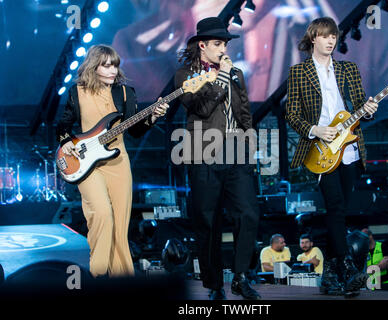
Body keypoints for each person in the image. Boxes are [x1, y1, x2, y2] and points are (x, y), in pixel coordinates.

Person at [56, 44, 168, 278]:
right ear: (93, 66)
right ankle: (96, 276)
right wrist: (66, 141)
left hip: (118, 161)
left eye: (115, 65)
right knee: (102, 214)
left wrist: (153, 117)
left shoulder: (126, 93)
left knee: (118, 227)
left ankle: (122, 282)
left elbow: (135, 130)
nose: (112, 70)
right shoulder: (77, 92)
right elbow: (63, 125)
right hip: (86, 163)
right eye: (106, 65)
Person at [285, 17, 378, 297]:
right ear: (313, 38)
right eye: (325, 36)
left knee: (339, 212)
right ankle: (347, 267)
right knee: (335, 205)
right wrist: (314, 129)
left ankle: (330, 276)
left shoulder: (348, 69)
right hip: (320, 150)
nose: (331, 41)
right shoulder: (299, 72)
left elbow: (360, 104)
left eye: (334, 37)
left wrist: (370, 108)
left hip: (349, 147)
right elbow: (291, 114)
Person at [174, 17, 260, 300]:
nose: (224, 49)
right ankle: (213, 285)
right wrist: (222, 76)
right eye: (218, 43)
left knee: (247, 214)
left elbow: (244, 109)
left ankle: (240, 276)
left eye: (224, 43)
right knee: (207, 221)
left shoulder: (236, 73)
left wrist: (250, 138)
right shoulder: (186, 75)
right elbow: (202, 105)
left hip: (237, 151)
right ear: (203, 45)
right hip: (204, 153)